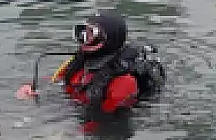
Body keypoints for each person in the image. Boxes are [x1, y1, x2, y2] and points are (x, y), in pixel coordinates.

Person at [17, 10, 164, 114]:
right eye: (83, 32)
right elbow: (57, 80)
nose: (84, 38)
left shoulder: (124, 82)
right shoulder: (81, 60)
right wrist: (31, 87)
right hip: (73, 108)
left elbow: (107, 119)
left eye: (91, 34)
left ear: (108, 40)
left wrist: (68, 136)